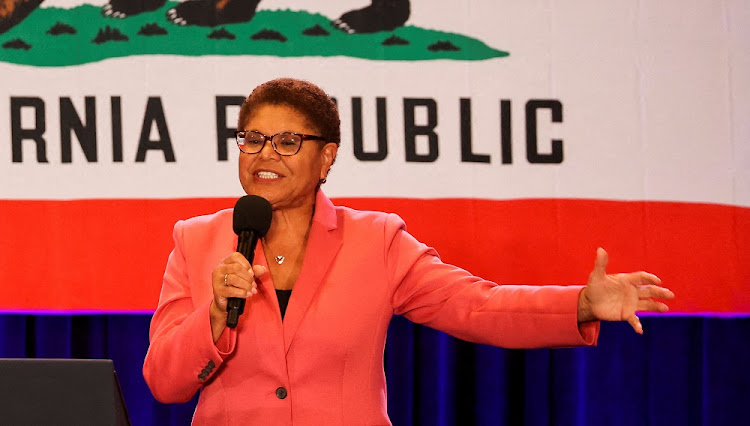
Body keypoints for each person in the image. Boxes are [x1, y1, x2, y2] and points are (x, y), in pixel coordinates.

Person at [142, 78, 674, 424]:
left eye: (287, 142)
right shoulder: (196, 240)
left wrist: (580, 303)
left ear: (326, 158)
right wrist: (213, 314)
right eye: (252, 139)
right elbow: (164, 382)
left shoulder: (376, 240)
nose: (265, 155)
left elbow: (478, 305)